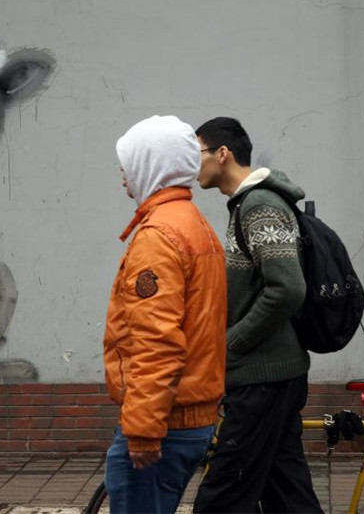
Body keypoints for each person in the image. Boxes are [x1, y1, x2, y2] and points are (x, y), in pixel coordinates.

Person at [192, 117, 323, 513]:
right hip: (271, 376)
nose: (191, 164)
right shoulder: (247, 205)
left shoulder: (260, 205)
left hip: (262, 380)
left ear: (222, 154)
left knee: (222, 497)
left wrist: (233, 343)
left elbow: (288, 288)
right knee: (288, 495)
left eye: (195, 153)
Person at [104, 114, 227, 514]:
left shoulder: (159, 237)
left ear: (151, 164)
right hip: (187, 415)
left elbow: (158, 343)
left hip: (166, 423)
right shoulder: (195, 225)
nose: (123, 174)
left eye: (129, 162)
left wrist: (141, 431)